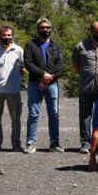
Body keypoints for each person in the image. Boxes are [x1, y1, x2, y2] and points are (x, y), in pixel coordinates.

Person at [23, 18, 64, 154]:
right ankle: (30, 142)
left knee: (54, 114)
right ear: (37, 29)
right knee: (34, 113)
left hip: (52, 84)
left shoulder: (56, 46)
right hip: (35, 83)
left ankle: (54, 143)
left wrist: (48, 77)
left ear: (51, 29)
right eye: (42, 27)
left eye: (47, 27)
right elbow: (28, 63)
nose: (45, 30)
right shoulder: (30, 45)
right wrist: (42, 75)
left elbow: (60, 65)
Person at [73, 21, 98, 154]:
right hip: (86, 87)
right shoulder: (80, 47)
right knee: (85, 115)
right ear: (91, 32)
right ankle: (85, 143)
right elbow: (75, 65)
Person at [0, 25, 24, 151]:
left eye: (9, 35)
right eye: (4, 35)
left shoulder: (18, 50)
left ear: (12, 35)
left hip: (13, 90)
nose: (6, 37)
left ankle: (16, 144)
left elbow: (22, 68)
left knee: (16, 119)